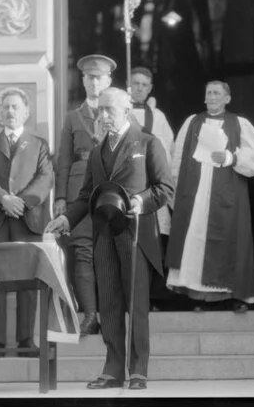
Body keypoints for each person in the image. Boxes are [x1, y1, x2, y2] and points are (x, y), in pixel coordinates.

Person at [45, 87, 174, 390]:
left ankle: (138, 370)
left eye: (108, 110)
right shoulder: (97, 151)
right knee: (110, 305)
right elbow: (87, 195)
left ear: (126, 111)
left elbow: (164, 188)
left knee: (136, 305)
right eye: (100, 110)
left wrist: (141, 202)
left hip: (136, 236)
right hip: (103, 236)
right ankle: (113, 370)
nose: (102, 116)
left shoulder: (147, 143)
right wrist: (67, 218)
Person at [165, 80, 254, 313]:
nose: (211, 97)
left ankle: (235, 297)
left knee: (231, 242)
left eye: (217, 93)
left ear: (227, 98)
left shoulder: (240, 124)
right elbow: (177, 159)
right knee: (195, 243)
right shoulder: (192, 122)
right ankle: (198, 298)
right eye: (208, 92)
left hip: (227, 195)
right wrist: (175, 194)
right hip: (195, 194)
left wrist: (231, 158)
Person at [0, 89, 54, 358]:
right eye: (6, 107)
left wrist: (21, 202)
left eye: (15, 107)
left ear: (26, 112)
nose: (10, 111)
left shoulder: (39, 144)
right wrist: (2, 199)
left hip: (27, 220)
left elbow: (45, 178)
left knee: (28, 282)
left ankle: (24, 341)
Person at [54, 54, 116, 335]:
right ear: (83, 81)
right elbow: (63, 160)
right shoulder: (72, 117)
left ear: (109, 81)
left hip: (110, 192)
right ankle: (90, 315)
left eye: (99, 77)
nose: (94, 82)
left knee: (111, 253)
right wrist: (61, 198)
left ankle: (113, 312)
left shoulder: (119, 112)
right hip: (79, 192)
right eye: (89, 77)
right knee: (81, 252)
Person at [129, 66, 176, 311]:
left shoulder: (158, 117)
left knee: (156, 244)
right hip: (129, 188)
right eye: (135, 83)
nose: (139, 88)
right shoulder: (119, 111)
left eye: (144, 85)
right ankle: (131, 299)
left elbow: (169, 152)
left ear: (150, 88)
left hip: (153, 190)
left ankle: (154, 299)